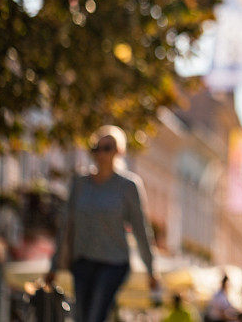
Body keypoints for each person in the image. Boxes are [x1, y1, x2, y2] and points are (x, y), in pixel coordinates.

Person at [46, 125, 158, 322]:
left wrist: (151, 270)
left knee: (95, 315)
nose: (101, 153)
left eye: (107, 147)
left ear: (119, 151)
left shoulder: (128, 186)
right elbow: (66, 226)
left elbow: (141, 229)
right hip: (83, 260)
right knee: (81, 316)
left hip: (114, 262)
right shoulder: (80, 184)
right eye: (96, 148)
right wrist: (54, 265)